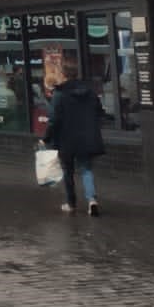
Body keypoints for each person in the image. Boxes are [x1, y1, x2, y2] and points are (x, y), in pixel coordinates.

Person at [43, 59, 106, 216]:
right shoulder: (89, 91)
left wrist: (46, 138)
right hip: (87, 137)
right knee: (86, 169)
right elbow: (99, 111)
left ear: (63, 74)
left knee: (68, 171)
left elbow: (54, 120)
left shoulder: (59, 94)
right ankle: (92, 200)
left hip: (66, 140)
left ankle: (71, 204)